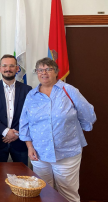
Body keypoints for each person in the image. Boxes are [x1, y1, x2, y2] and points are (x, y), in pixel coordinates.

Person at [19, 57, 96, 202]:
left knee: (67, 193)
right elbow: (24, 124)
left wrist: (82, 127)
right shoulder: (31, 96)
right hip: (39, 154)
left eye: (48, 69)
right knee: (42, 192)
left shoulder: (69, 91)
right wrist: (29, 147)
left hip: (67, 152)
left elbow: (88, 113)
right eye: (40, 70)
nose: (44, 73)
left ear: (56, 72)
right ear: (37, 73)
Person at [0, 54, 32, 166]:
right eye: (4, 66)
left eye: (11, 66)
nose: (8, 69)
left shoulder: (27, 90)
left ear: (17, 68)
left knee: (22, 176)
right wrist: (6, 131)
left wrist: (16, 133)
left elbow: (30, 114)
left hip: (21, 140)